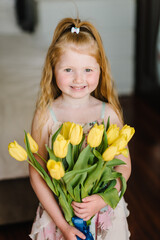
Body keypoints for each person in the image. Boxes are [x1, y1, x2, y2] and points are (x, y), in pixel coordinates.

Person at [29, 17, 131, 240]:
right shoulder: (46, 116)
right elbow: (37, 175)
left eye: (87, 69)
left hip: (103, 212)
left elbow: (123, 167)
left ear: (100, 69)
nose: (78, 79)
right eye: (68, 69)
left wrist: (104, 199)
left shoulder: (108, 114)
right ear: (52, 69)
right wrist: (64, 227)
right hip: (60, 217)